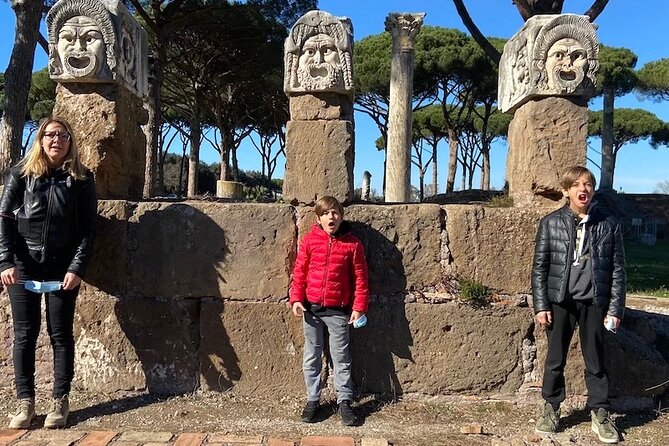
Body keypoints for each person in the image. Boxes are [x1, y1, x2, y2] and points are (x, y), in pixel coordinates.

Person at [0, 116, 97, 429]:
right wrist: (5, 261)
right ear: (40, 139)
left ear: (71, 142)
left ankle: (59, 400)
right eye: (50, 135)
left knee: (60, 334)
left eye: (63, 135)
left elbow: (87, 229)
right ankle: (25, 401)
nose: (57, 140)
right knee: (25, 335)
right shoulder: (20, 173)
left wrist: (77, 267)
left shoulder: (82, 179)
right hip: (23, 265)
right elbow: (3, 219)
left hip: (61, 266)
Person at [532, 166, 625, 444]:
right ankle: (550, 408)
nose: (582, 189)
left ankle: (599, 413)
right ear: (566, 191)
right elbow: (539, 268)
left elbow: (618, 270)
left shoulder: (609, 224)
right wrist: (540, 304)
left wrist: (615, 308)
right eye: (576, 185)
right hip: (560, 302)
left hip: (594, 302)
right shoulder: (550, 223)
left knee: (595, 361)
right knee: (555, 359)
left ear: (593, 190)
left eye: (587, 184)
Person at [289, 196, 369, 426]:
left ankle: (344, 401)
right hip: (311, 310)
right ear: (318, 218)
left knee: (341, 357)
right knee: (311, 356)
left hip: (338, 311)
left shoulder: (353, 244)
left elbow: (361, 280)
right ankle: (313, 399)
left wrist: (358, 308)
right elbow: (300, 272)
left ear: (341, 216)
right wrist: (296, 299)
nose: (331, 217)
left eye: (335, 213)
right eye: (325, 213)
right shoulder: (310, 241)